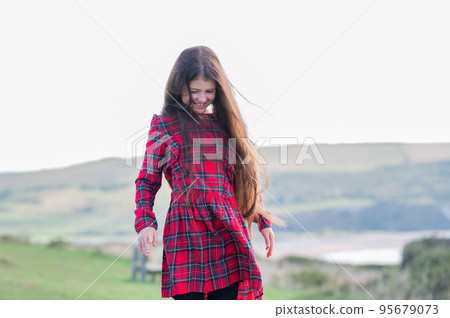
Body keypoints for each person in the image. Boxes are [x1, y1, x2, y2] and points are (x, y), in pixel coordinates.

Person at [134, 46, 281, 300]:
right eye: (194, 91)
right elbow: (147, 181)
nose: (202, 98)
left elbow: (243, 182)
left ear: (219, 91)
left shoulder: (225, 126)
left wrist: (263, 220)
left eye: (209, 91)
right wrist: (145, 222)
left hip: (227, 231)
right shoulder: (163, 126)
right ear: (180, 87)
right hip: (185, 234)